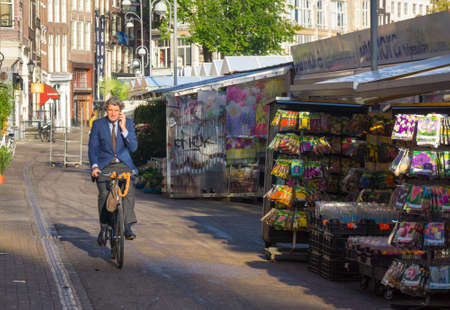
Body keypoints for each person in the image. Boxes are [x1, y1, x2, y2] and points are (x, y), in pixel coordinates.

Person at [88, 96, 138, 246]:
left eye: (116, 110)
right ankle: (104, 226)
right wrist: (95, 166)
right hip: (105, 166)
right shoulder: (98, 125)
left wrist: (124, 130)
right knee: (104, 194)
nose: (113, 113)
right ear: (106, 111)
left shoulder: (127, 123)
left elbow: (134, 147)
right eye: (110, 110)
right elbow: (93, 149)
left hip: (123, 164)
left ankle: (127, 226)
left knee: (128, 191)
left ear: (120, 112)